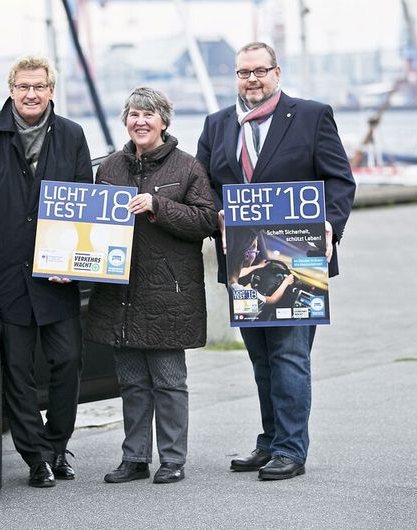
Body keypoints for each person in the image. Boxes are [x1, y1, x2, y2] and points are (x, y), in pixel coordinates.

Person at [196, 42, 356, 480]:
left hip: (300, 258)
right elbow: (203, 185)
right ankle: (269, 442)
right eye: (243, 72)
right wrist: (217, 213)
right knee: (261, 359)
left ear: (276, 72)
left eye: (260, 71)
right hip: (244, 262)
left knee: (289, 356)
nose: (252, 79)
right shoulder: (217, 124)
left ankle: (290, 449)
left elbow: (339, 179)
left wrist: (331, 225)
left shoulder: (310, 115)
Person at [0, 55, 93, 488]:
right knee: (17, 370)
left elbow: (84, 202)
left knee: (68, 361)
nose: (31, 94)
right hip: (7, 271)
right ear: (11, 89)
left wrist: (77, 264)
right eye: (22, 87)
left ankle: (57, 446)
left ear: (52, 89)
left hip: (57, 270)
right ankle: (36, 458)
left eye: (39, 86)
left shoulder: (72, 134)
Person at [86, 87, 218, 484]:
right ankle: (135, 458)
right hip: (119, 293)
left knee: (169, 382)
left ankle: (173, 459)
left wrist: (158, 206)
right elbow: (90, 225)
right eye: (133, 115)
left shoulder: (187, 167)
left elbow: (207, 220)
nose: (140, 122)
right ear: (125, 120)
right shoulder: (109, 167)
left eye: (148, 115)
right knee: (131, 382)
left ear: (164, 121)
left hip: (169, 295)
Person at [226, 227, 294, 321]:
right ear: (247, 254)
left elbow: (239, 273)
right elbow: (272, 299)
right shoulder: (241, 293)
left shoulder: (228, 279)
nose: (256, 253)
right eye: (255, 250)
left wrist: (258, 266)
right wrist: (286, 282)